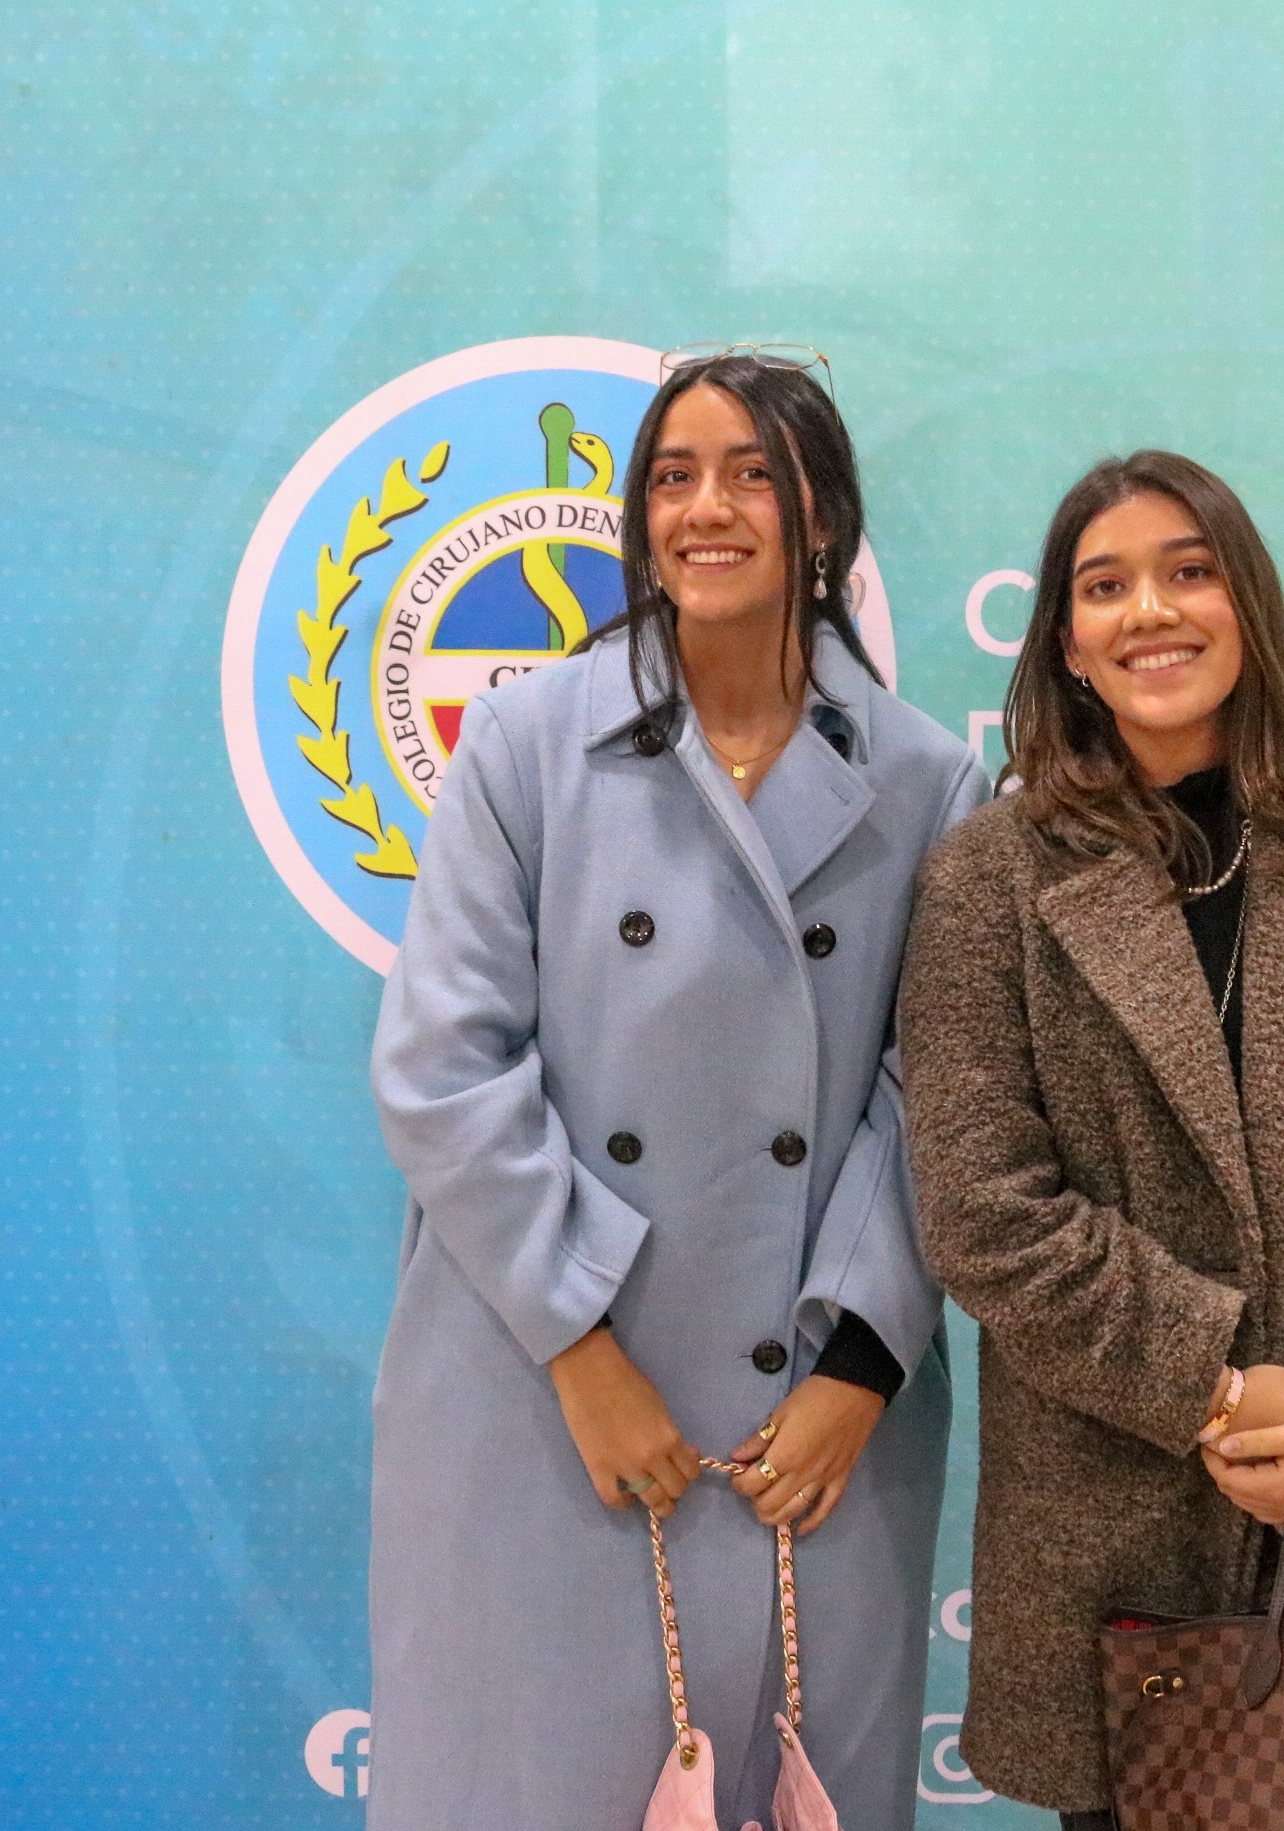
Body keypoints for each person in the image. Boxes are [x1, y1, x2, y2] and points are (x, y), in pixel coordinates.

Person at [366, 350, 985, 1830]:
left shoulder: (928, 781)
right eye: (673, 477)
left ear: (822, 518)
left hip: (808, 1429)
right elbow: (443, 1065)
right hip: (539, 1385)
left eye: (753, 475)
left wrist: (855, 1373)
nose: (708, 508)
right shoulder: (528, 741)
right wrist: (582, 1349)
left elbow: (947, 1100)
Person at [898, 451, 1284, 1827]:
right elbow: (987, 1215)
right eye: (1104, 586)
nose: (1150, 612)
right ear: (1067, 644)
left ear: (1250, 607)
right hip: (1112, 1533)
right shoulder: (990, 879)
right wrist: (1220, 1389)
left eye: (1188, 572)